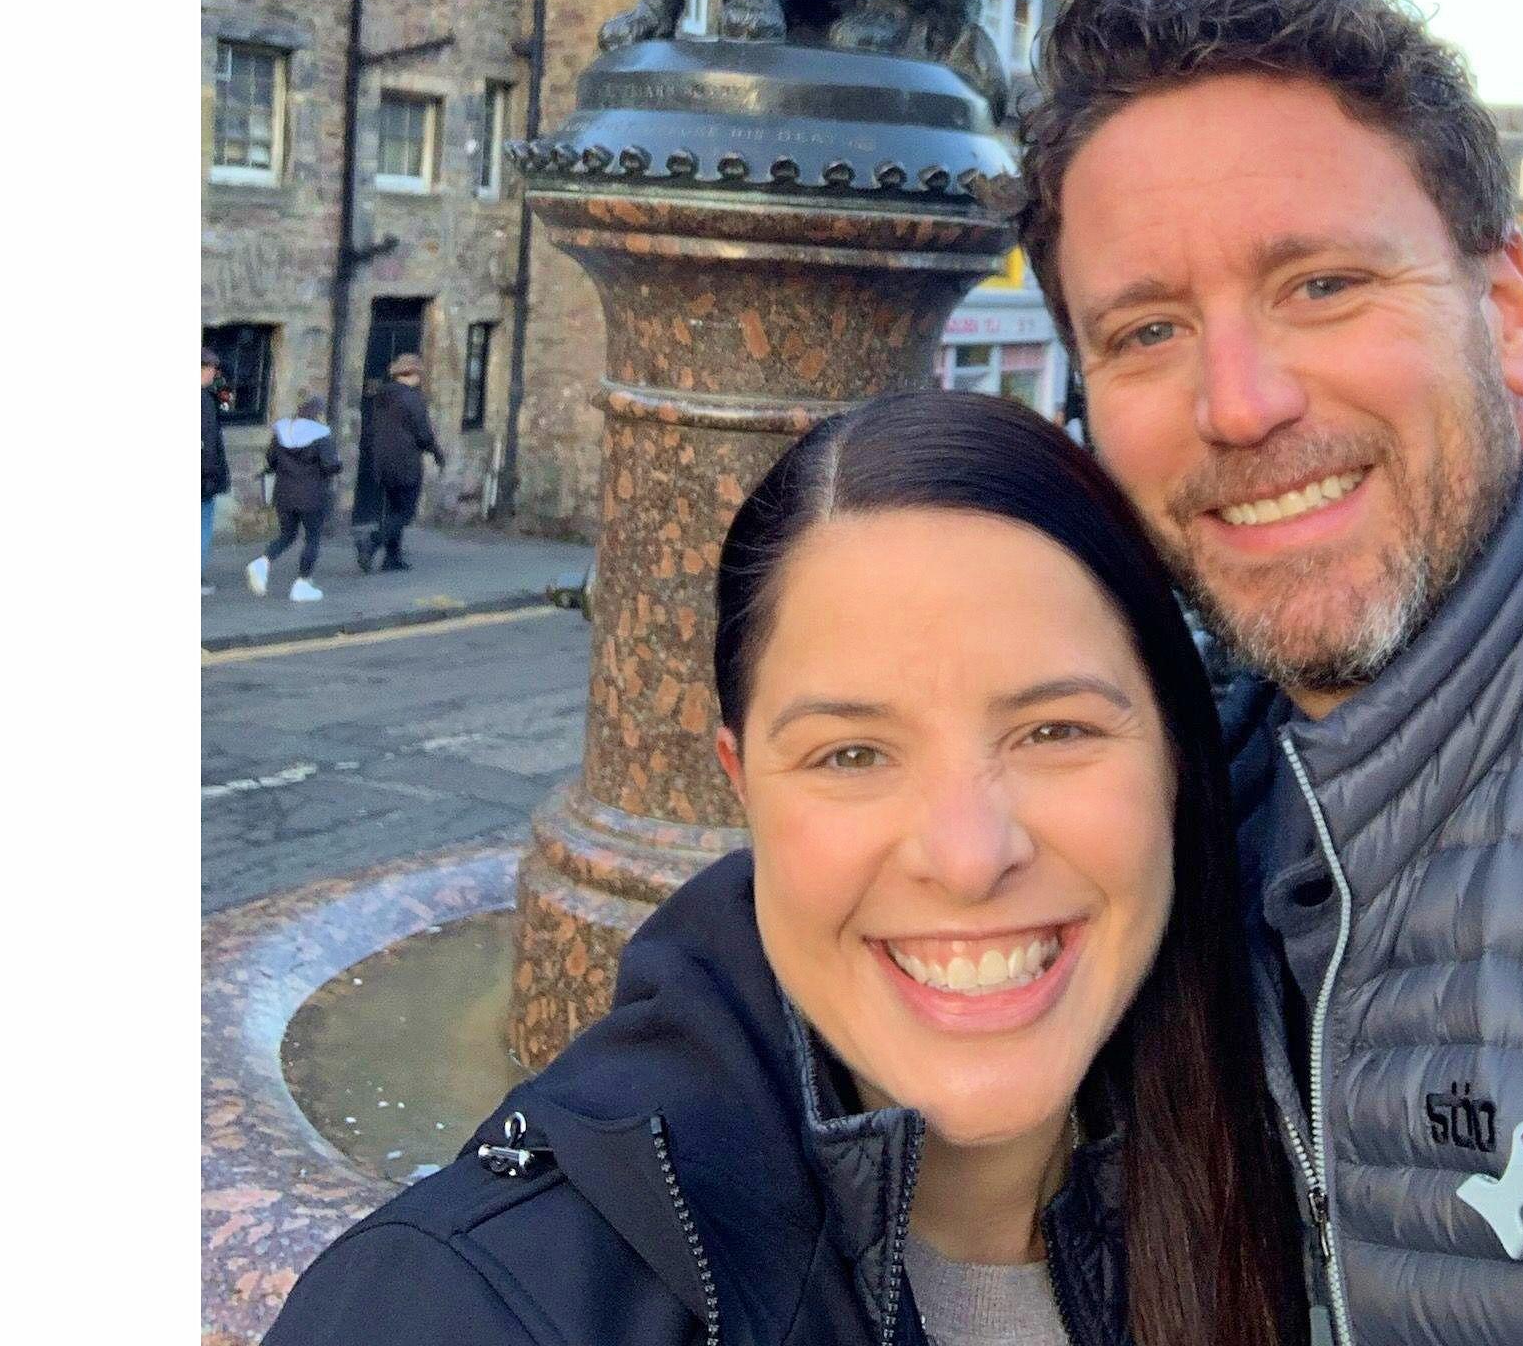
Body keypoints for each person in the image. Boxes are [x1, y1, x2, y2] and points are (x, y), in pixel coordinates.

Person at [1016, 0, 1523, 1346]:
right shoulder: (1189, 782)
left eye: (1325, 286)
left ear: (1512, 313)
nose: (1239, 404)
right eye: (1149, 329)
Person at [266, 389, 1309, 1346]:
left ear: (1175, 750)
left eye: (1053, 729)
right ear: (742, 783)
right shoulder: (464, 1301)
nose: (966, 854)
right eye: (851, 754)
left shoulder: (1324, 1176)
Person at [247, 395, 343, 604]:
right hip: (313, 496)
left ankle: (262, 562)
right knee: (312, 538)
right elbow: (330, 465)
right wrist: (338, 464)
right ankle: (302, 583)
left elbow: (271, 460)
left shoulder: (283, 431)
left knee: (287, 535)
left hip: (284, 494)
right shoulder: (321, 435)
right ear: (317, 414)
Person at [355, 351, 444, 573]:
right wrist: (436, 452)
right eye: (418, 374)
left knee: (393, 509)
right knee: (404, 513)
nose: (420, 378)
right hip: (405, 462)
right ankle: (372, 541)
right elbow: (423, 434)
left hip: (382, 461)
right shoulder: (412, 399)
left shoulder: (382, 397)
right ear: (411, 374)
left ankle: (392, 558)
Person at [201, 345, 230, 594]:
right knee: (201, 527)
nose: (215, 373)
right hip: (202, 478)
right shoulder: (203, 401)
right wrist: (210, 475)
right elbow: (208, 443)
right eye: (212, 368)